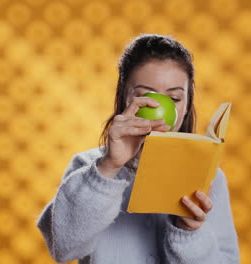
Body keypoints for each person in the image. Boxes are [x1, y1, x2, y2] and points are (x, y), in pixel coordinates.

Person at [36, 34, 240, 264]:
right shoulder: (87, 166)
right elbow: (63, 249)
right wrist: (108, 167)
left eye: (173, 98)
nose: (159, 108)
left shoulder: (209, 177)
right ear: (124, 96)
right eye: (145, 96)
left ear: (186, 105)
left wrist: (189, 233)